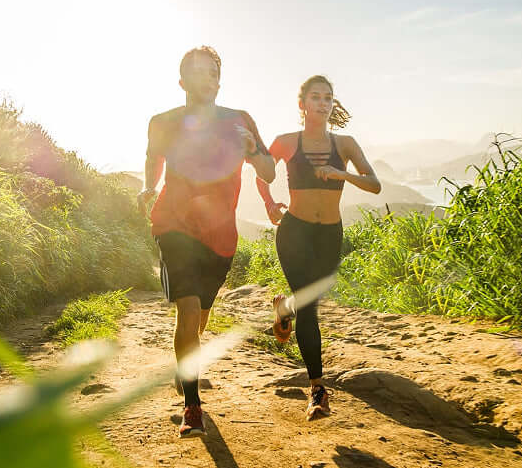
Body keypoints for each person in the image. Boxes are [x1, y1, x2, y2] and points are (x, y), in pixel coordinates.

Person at [138, 46, 275, 438]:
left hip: (220, 234)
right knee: (187, 308)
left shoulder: (239, 121)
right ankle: (192, 406)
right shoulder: (162, 122)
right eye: (197, 72)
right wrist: (149, 187)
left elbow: (267, 170)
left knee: (200, 317)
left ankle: (184, 369)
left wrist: (252, 150)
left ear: (220, 79)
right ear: (182, 81)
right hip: (173, 223)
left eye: (213, 71)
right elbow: (153, 158)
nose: (207, 78)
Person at [256, 74, 381, 421]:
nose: (323, 103)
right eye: (316, 97)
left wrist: (341, 175)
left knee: (310, 300)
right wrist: (268, 203)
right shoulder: (285, 141)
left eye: (328, 97)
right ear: (303, 105)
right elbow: (261, 172)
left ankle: (284, 309)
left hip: (329, 234)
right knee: (310, 307)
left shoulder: (346, 145)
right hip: (294, 232)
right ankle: (318, 390)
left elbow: (374, 184)